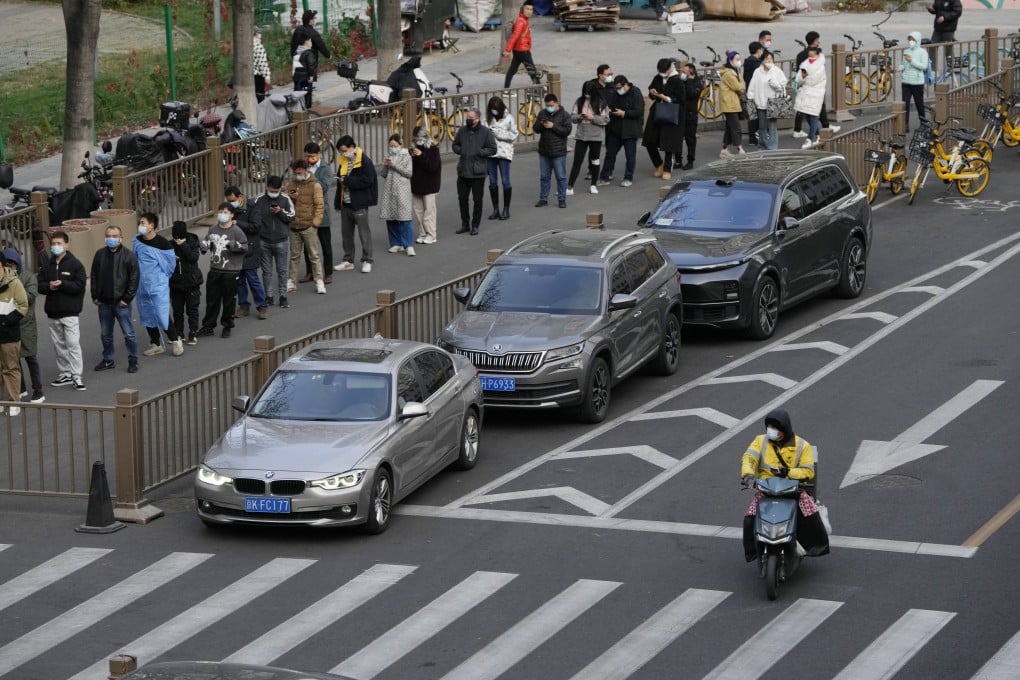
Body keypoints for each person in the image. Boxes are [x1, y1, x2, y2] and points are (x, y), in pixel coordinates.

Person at [741, 409, 830, 564]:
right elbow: (749, 457)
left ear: (785, 429)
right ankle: (752, 551)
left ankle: (815, 547)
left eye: (776, 429)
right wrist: (748, 475)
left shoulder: (803, 446)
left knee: (811, 518)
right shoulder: (760, 441)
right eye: (769, 427)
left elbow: (808, 471)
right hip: (766, 491)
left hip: (793, 492)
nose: (772, 431)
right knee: (749, 519)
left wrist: (787, 472)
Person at [38, 231, 87, 391]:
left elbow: (79, 286)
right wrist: (49, 286)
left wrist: (63, 284)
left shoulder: (75, 265)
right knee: (59, 346)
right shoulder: (47, 265)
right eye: (53, 244)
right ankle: (65, 373)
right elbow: (40, 285)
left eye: (59, 243)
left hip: (70, 313)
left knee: (73, 344)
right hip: (53, 313)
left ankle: (77, 376)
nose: (55, 247)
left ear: (67, 245)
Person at [89, 226, 139, 374]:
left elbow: (134, 279)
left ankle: (133, 359)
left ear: (121, 238)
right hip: (104, 303)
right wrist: (95, 296)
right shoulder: (99, 255)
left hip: (121, 303)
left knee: (128, 333)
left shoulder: (128, 256)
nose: (111, 238)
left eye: (114, 235)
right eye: (109, 235)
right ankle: (108, 359)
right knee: (105, 334)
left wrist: (126, 299)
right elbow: (94, 276)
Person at [133, 213, 183, 357]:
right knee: (146, 313)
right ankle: (155, 343)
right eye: (140, 223)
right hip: (142, 284)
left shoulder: (163, 244)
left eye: (143, 223)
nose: (140, 226)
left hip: (157, 284)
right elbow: (135, 259)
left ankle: (175, 340)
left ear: (152, 226)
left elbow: (169, 265)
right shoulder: (137, 241)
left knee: (161, 313)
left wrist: (159, 279)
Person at [197, 203, 248, 339]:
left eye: (225, 212)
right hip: (214, 269)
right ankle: (208, 326)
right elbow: (207, 242)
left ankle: (227, 325)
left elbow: (245, 246)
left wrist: (233, 245)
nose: (222, 214)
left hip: (231, 271)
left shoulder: (237, 231)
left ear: (231, 215)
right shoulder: (213, 229)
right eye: (220, 212)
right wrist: (203, 246)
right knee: (211, 300)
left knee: (228, 300)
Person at [333, 136, 378, 274]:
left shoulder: (364, 161)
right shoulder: (344, 161)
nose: (342, 153)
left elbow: (368, 180)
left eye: (344, 150)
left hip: (359, 203)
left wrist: (348, 181)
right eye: (340, 151)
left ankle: (367, 260)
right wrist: (337, 202)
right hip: (345, 203)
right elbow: (341, 185)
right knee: (346, 234)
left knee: (364, 233)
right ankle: (348, 260)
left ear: (352, 147)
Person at [3, 248, 44, 403]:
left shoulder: (28, 277)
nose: (10, 266)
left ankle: (38, 389)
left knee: (30, 357)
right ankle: (20, 388)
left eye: (13, 263)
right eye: (7, 263)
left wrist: (15, 286)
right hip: (10, 324)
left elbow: (31, 296)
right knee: (14, 359)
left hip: (26, 324)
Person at [452, 108, 497, 235]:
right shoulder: (462, 130)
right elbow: (455, 145)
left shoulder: (486, 132)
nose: (468, 120)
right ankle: (465, 224)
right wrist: (461, 150)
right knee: (462, 199)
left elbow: (493, 149)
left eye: (471, 118)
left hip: (478, 172)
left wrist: (481, 152)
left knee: (477, 200)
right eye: (467, 117)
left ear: (477, 119)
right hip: (463, 171)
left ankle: (475, 225)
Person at [252, 176, 294, 307]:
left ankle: (283, 296)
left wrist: (280, 212)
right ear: (267, 187)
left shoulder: (286, 199)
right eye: (272, 190)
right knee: (267, 271)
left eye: (277, 191)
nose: (274, 193)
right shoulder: (258, 200)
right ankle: (269, 296)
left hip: (281, 240)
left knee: (282, 271)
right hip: (264, 241)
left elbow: (292, 216)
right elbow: (253, 218)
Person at [285, 159, 326, 294]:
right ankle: (291, 280)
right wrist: (293, 198)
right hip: (294, 225)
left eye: (299, 172)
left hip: (308, 226)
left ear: (306, 169)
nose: (297, 174)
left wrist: (315, 223)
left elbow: (320, 206)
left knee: (314, 255)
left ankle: (319, 281)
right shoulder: (290, 184)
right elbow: (285, 202)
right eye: (295, 172)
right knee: (294, 256)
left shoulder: (315, 185)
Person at [226, 186, 268, 318]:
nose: (231, 202)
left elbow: (256, 226)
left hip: (250, 248)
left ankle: (262, 306)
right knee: (239, 281)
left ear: (239, 197)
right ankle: (243, 306)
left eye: (232, 200)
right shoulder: (229, 209)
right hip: (236, 249)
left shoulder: (251, 206)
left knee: (253, 279)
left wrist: (237, 223)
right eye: (228, 200)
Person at [642, 57, 685, 180]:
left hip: (671, 113)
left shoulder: (677, 80)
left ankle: (667, 168)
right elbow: (651, 92)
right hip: (657, 111)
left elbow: (681, 99)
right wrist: (652, 92)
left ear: (669, 69)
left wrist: (665, 97)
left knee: (668, 142)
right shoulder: (658, 78)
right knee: (649, 140)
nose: (661, 73)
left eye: (663, 71)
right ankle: (658, 164)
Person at [599, 75, 643, 187]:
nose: (618, 91)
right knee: (610, 153)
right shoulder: (615, 93)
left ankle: (628, 177)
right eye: (616, 88)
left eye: (619, 88)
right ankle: (605, 176)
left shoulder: (636, 93)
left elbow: (639, 111)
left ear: (625, 84)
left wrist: (625, 114)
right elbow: (611, 105)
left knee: (630, 155)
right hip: (616, 129)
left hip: (630, 130)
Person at [792, 32, 839, 138]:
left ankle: (799, 129)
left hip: (804, 85)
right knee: (817, 108)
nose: (819, 41)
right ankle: (818, 132)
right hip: (814, 87)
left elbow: (801, 71)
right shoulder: (818, 55)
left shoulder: (801, 55)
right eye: (818, 39)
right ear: (814, 41)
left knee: (802, 107)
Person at [567, 81, 609, 197]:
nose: (587, 95)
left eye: (589, 93)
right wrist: (580, 116)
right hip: (581, 135)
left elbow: (605, 120)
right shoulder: (579, 101)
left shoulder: (601, 102)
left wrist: (593, 117)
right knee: (577, 161)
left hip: (596, 136)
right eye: (585, 93)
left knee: (595, 160)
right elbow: (572, 117)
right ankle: (570, 186)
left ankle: (593, 184)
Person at [0, 250, 28, 415]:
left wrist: (4, 322)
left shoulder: (14, 283)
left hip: (9, 335)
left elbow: (23, 306)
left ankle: (14, 401)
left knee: (11, 368)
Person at [301, 143, 334, 282]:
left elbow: (325, 187)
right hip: (306, 212)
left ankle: (328, 273)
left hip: (321, 213)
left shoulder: (325, 169)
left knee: (325, 244)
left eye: (312, 156)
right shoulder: (304, 167)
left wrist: (311, 176)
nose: (309, 159)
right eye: (307, 156)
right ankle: (310, 272)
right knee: (308, 246)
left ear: (318, 154)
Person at [533, 93, 572, 209]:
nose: (549, 107)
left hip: (558, 151)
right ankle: (543, 198)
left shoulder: (565, 115)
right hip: (544, 151)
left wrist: (553, 126)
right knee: (544, 176)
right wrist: (541, 124)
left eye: (551, 105)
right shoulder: (542, 113)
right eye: (547, 105)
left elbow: (567, 131)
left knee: (561, 177)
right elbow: (535, 129)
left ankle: (562, 199)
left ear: (556, 103)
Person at [380, 134, 416, 256]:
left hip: (402, 190)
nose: (392, 148)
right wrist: (385, 165)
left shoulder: (406, 156)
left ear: (400, 144)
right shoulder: (388, 156)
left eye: (394, 146)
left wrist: (395, 165)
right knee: (391, 218)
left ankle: (408, 244)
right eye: (390, 146)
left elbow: (409, 173)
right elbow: (383, 174)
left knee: (405, 218)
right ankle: (396, 243)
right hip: (389, 190)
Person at [169, 220, 204, 345]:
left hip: (191, 282)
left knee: (192, 310)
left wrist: (183, 245)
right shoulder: (170, 244)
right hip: (176, 283)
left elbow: (193, 258)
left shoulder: (193, 241)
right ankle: (179, 333)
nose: (176, 239)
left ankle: (193, 331)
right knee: (177, 311)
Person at [484, 96, 518, 221]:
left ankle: (506, 209)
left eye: (496, 109)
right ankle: (495, 209)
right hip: (491, 154)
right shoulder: (487, 119)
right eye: (492, 109)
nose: (494, 111)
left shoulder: (509, 118)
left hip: (504, 154)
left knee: (505, 181)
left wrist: (498, 133)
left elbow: (514, 135)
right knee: (492, 182)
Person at [747, 51, 787, 150]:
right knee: (762, 126)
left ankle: (772, 147)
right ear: (762, 60)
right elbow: (752, 86)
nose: (769, 61)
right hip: (760, 103)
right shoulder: (757, 71)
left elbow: (783, 85)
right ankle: (762, 145)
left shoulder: (777, 71)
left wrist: (774, 84)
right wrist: (750, 98)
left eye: (771, 59)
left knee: (772, 127)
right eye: (767, 59)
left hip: (773, 103)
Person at [410, 126, 442, 244]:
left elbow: (432, 167)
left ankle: (431, 234)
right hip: (416, 184)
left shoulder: (433, 149)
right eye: (416, 138)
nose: (418, 140)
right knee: (419, 211)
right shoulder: (413, 148)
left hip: (430, 185)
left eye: (419, 137)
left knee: (429, 211)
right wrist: (413, 156)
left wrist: (421, 156)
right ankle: (422, 233)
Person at [503, 1, 541, 88]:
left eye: (531, 9)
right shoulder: (521, 22)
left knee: (512, 69)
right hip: (523, 50)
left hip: (518, 50)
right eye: (527, 9)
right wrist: (507, 50)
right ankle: (540, 88)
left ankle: (506, 89)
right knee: (532, 69)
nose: (529, 11)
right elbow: (514, 36)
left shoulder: (523, 20)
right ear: (522, 10)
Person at [795, 47, 826, 149]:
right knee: (807, 116)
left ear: (817, 55)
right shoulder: (804, 65)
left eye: (813, 56)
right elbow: (798, 79)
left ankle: (809, 138)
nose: (811, 58)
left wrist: (805, 77)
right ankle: (818, 135)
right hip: (805, 94)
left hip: (816, 94)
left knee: (813, 117)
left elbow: (814, 80)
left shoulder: (820, 67)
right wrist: (803, 77)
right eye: (809, 56)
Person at [719, 50, 746, 157]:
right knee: (736, 127)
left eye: (739, 59)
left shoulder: (734, 71)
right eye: (737, 59)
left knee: (730, 128)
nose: (739, 61)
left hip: (732, 103)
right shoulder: (729, 74)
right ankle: (739, 148)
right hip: (729, 104)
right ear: (731, 61)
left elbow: (741, 85)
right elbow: (739, 87)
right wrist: (742, 86)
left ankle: (724, 150)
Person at [901, 31, 930, 130]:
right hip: (906, 81)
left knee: (919, 103)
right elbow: (905, 65)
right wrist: (900, 68)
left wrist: (911, 61)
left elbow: (924, 67)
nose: (911, 41)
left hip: (917, 82)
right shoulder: (906, 51)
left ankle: (923, 123)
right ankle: (905, 124)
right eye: (909, 39)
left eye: (913, 39)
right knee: (905, 104)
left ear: (917, 40)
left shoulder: (923, 52)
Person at [677, 62, 702, 170]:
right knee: (677, 138)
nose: (682, 74)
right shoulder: (682, 81)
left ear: (691, 73)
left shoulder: (697, 83)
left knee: (690, 139)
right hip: (680, 113)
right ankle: (678, 160)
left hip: (690, 115)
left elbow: (692, 94)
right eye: (682, 72)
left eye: (684, 72)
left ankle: (690, 160)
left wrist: (690, 80)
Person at [743, 42, 763, 146]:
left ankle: (752, 138)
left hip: (748, 91)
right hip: (756, 92)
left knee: (752, 116)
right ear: (759, 50)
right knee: (758, 116)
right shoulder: (757, 64)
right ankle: (756, 136)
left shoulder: (746, 62)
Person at [292, 34, 318, 108]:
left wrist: (293, 75)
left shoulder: (296, 51)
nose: (311, 42)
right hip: (306, 77)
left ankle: (298, 108)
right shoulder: (309, 53)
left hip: (297, 77)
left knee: (297, 93)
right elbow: (311, 65)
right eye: (310, 41)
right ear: (306, 41)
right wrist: (311, 76)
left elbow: (294, 65)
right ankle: (307, 108)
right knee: (307, 93)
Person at [253, 27, 271, 103]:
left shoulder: (245, 46)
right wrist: (267, 76)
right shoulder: (258, 46)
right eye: (259, 33)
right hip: (258, 76)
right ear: (256, 34)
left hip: (248, 76)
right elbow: (262, 63)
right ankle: (260, 113)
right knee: (260, 98)